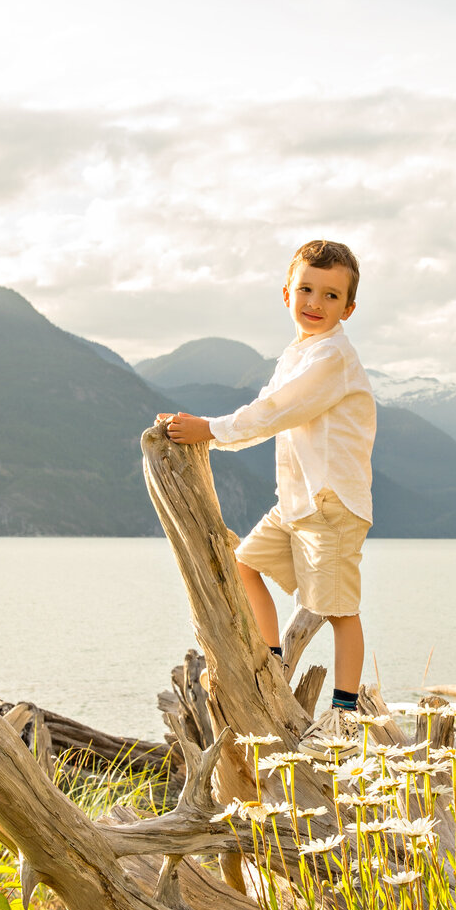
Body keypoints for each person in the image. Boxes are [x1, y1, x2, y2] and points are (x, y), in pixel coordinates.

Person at [161, 238, 374, 739]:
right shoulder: (297, 354)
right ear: (286, 294)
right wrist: (208, 438)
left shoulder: (332, 359)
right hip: (296, 503)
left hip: (331, 503)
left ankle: (344, 715)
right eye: (306, 289)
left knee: (340, 610)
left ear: (349, 307)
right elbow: (266, 409)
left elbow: (277, 412)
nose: (315, 304)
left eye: (329, 295)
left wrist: (210, 430)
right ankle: (271, 664)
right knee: (244, 564)